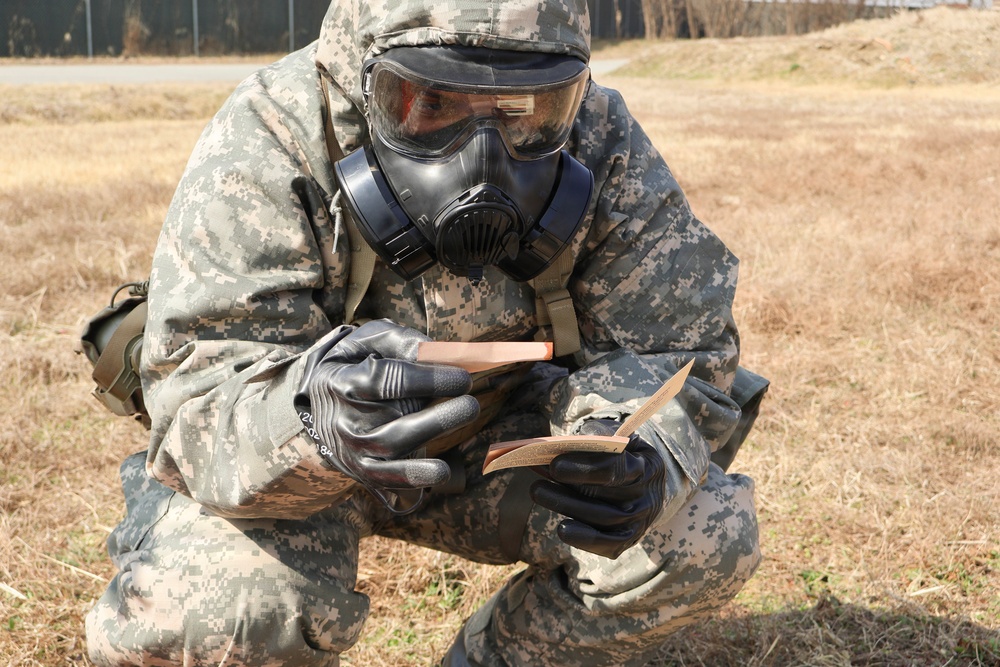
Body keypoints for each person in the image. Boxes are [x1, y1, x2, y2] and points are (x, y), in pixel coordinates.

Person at [85, 0, 768, 665]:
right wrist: (309, 417)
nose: (485, 160)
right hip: (306, 456)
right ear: (363, 81)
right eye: (430, 104)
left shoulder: (600, 137)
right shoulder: (277, 128)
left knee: (700, 532)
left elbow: (681, 347)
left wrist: (637, 446)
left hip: (501, 444)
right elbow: (199, 389)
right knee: (217, 608)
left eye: (527, 112)